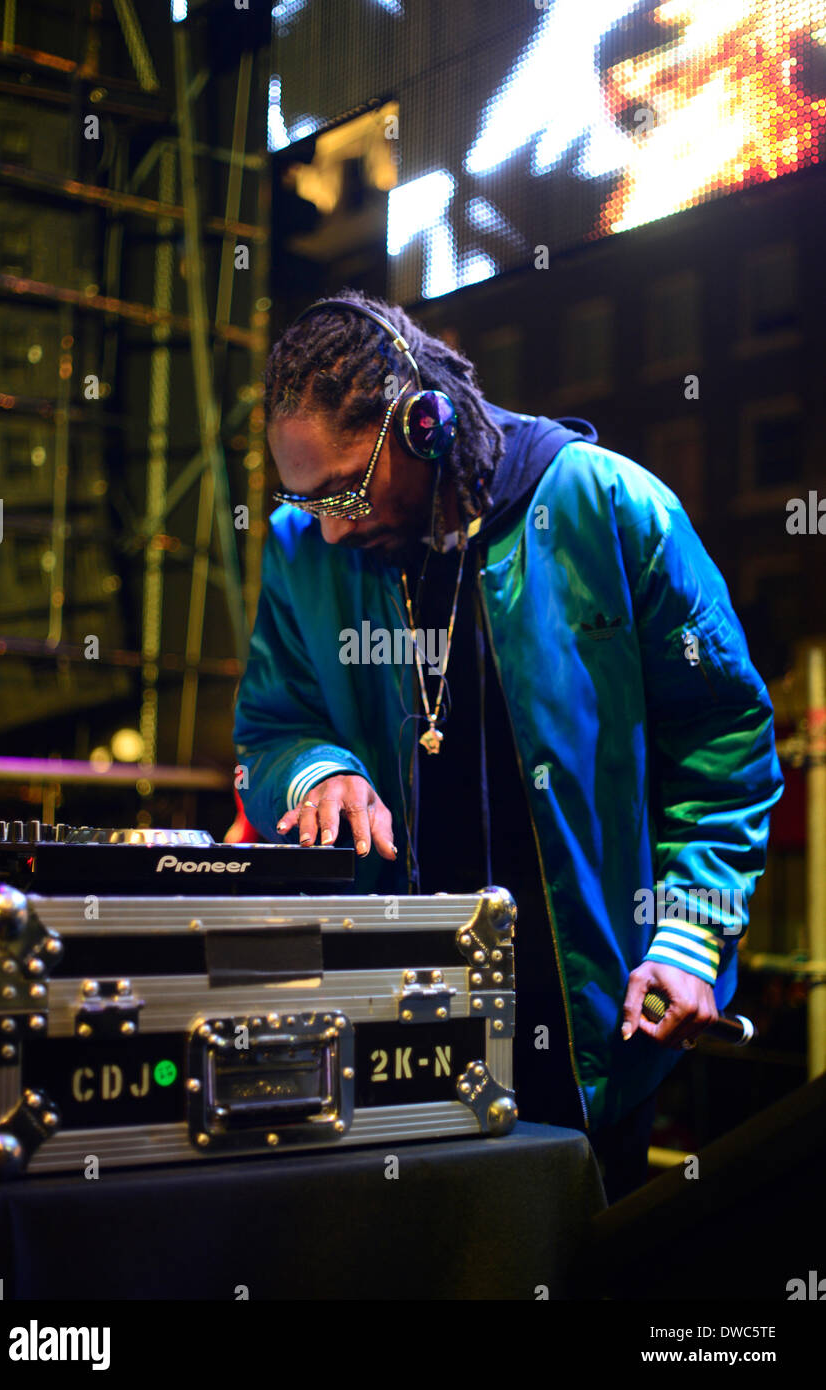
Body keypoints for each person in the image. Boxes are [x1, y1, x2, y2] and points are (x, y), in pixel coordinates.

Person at [233, 291, 783, 1203]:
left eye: (344, 491)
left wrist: (688, 937)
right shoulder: (304, 551)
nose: (327, 525)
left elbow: (723, 734)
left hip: (586, 1027)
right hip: (380, 1029)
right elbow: (272, 728)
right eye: (303, 497)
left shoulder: (607, 504)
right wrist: (316, 769)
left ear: (424, 424)